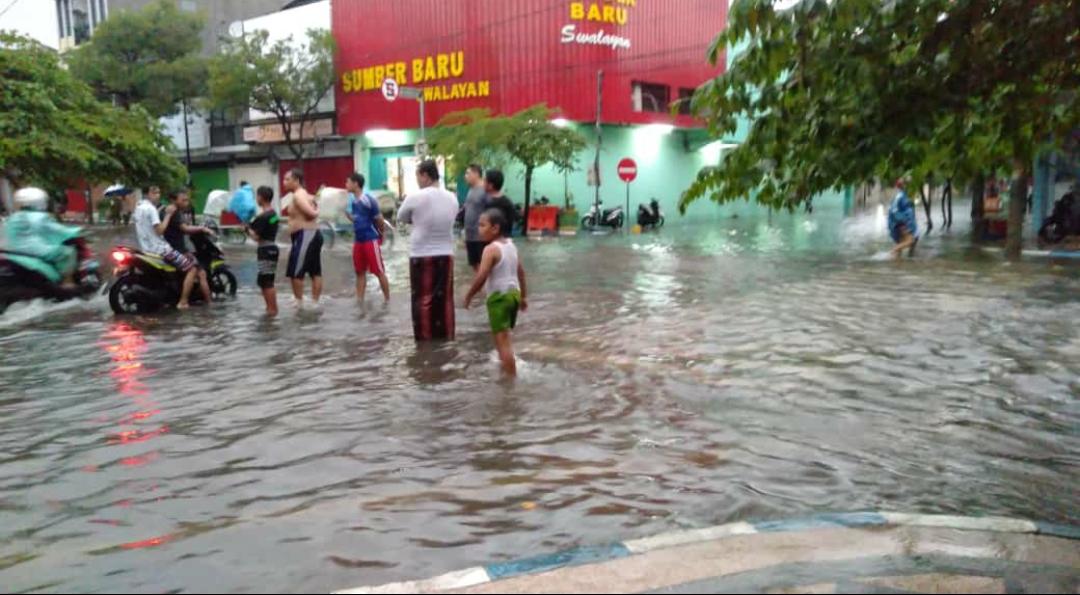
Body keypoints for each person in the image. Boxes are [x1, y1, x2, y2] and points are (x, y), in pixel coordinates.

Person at [398, 159, 459, 340]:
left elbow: (402, 217)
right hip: (446, 253)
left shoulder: (416, 197)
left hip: (421, 254)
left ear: (425, 175)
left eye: (418, 176)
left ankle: (425, 342)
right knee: (445, 300)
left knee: (423, 300)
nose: (418, 181)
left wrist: (416, 220)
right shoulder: (452, 197)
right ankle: (447, 337)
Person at [464, 209, 528, 376]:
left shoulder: (490, 249)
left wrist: (469, 295)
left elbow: (482, 276)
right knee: (505, 337)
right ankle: (505, 369)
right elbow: (521, 272)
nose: (479, 228)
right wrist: (523, 297)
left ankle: (510, 383)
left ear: (495, 228)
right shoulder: (511, 246)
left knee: (502, 342)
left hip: (499, 298)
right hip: (513, 295)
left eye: (482, 225)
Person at [133, 185, 200, 309]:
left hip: (146, 248)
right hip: (161, 249)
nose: (157, 195)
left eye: (158, 192)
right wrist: (168, 215)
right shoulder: (151, 209)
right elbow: (160, 231)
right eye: (154, 192)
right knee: (192, 269)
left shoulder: (138, 208)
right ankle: (183, 301)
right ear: (147, 194)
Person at [2, 187, 80, 289]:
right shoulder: (41, 217)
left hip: (8, 250)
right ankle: (67, 283)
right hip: (32, 250)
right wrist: (76, 231)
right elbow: (58, 230)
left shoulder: (13, 217)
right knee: (68, 252)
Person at [159, 189, 212, 305]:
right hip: (175, 250)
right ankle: (186, 301)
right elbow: (185, 229)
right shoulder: (174, 212)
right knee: (198, 272)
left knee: (199, 272)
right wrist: (202, 228)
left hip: (171, 248)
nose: (186, 202)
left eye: (187, 200)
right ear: (173, 200)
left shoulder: (165, 210)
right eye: (183, 200)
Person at [345, 173, 391, 303]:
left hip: (370, 239)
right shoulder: (353, 201)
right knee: (359, 272)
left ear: (356, 184)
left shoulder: (368, 200)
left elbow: (379, 219)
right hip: (358, 240)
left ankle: (387, 300)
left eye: (348, 182)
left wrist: (381, 235)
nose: (346, 185)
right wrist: (347, 215)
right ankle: (360, 301)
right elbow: (356, 219)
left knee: (378, 271)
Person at [283, 168, 323, 305]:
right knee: (314, 271)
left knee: (296, 271)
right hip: (308, 235)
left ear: (296, 181)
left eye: (287, 179)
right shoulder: (303, 194)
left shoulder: (298, 195)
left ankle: (299, 303)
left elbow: (311, 214)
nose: (284, 182)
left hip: (306, 235)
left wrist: (317, 211)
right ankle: (314, 302)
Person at [247, 186, 280, 316]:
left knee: (266, 282)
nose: (256, 199)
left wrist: (246, 230)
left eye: (257, 196)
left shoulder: (264, 216)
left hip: (266, 249)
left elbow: (256, 237)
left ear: (261, 197)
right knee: (264, 280)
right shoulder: (273, 215)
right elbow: (270, 228)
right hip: (271, 248)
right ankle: (270, 309)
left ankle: (272, 310)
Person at [463, 164, 488, 269]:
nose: (465, 176)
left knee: (484, 266)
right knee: (474, 265)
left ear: (476, 174)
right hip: (470, 235)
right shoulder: (471, 190)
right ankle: (482, 285)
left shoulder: (485, 190)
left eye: (468, 173)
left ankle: (487, 285)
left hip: (481, 236)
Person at [888, 177, 919, 258]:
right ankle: (892, 252)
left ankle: (897, 264)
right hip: (900, 223)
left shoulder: (903, 195)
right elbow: (894, 210)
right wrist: (901, 221)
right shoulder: (900, 196)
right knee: (910, 241)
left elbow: (907, 209)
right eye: (906, 184)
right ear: (903, 186)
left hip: (903, 223)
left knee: (902, 244)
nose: (908, 186)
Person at [483, 169, 516, 237]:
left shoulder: (486, 202)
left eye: (484, 181)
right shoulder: (508, 203)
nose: (482, 183)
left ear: (490, 185)